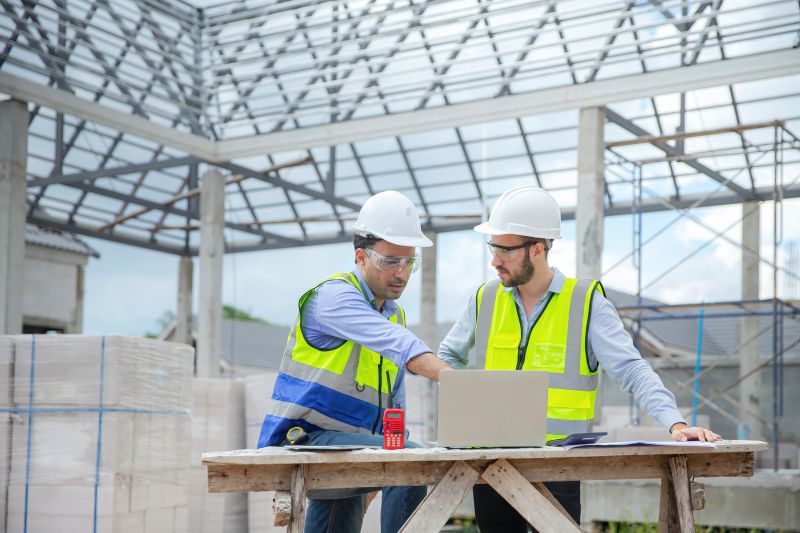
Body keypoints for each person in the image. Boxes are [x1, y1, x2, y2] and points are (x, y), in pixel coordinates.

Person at [437, 185, 720, 533]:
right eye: (492, 248)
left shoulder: (585, 303)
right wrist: (466, 411)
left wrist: (675, 424)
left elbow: (631, 369)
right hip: (492, 460)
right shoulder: (485, 299)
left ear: (538, 249)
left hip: (557, 466)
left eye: (504, 250)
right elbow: (445, 358)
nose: (494, 260)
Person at [258, 190, 451, 533]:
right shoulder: (333, 297)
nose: (401, 273)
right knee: (411, 460)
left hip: (349, 441)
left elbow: (395, 398)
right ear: (361, 256)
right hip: (305, 438)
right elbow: (400, 346)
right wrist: (455, 381)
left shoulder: (393, 314)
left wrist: (386, 454)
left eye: (409, 262)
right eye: (390, 261)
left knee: (397, 459)